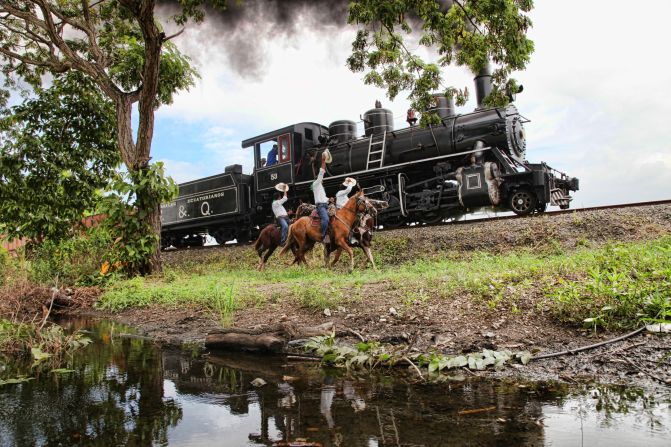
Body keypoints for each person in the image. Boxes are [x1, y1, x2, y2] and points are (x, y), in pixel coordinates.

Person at [312, 152, 329, 243]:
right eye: (321, 179)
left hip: (325, 204)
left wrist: (329, 199)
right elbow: (321, 172)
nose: (322, 180)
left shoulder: (320, 187)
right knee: (325, 219)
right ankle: (322, 236)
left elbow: (324, 197)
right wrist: (323, 161)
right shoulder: (316, 184)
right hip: (321, 206)